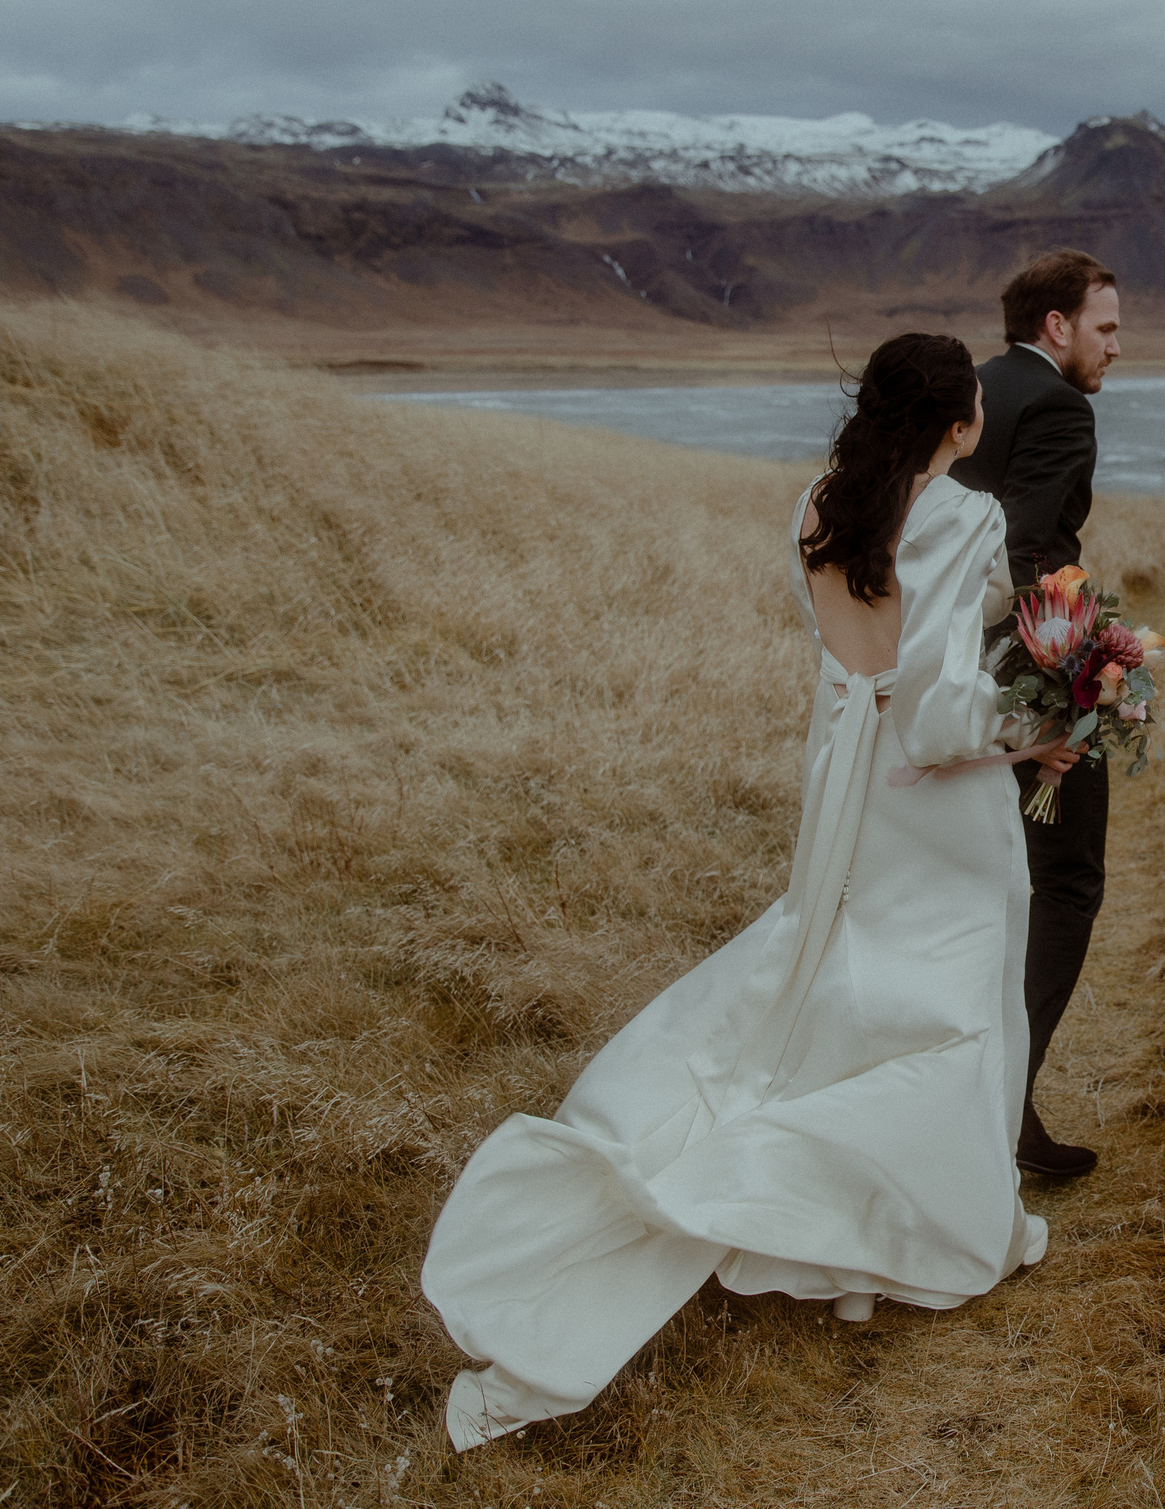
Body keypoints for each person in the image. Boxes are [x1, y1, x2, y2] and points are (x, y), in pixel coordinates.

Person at [420, 333, 1079, 1451]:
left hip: (842, 776)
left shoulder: (821, 504)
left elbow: (858, 676)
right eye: (973, 402)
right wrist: (1043, 730)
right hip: (933, 799)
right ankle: (906, 1239)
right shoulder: (965, 515)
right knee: (951, 1002)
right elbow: (936, 713)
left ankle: (840, 1245)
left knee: (845, 973)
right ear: (960, 423)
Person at [950, 249, 1122, 1179]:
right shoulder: (1059, 405)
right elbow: (1034, 549)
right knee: (1065, 884)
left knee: (998, 883)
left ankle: (976, 1098)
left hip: (958, 673)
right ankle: (1004, 1112)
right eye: (1106, 327)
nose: (1118, 347)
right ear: (1055, 326)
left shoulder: (975, 388)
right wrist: (1070, 685)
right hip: (1029, 673)